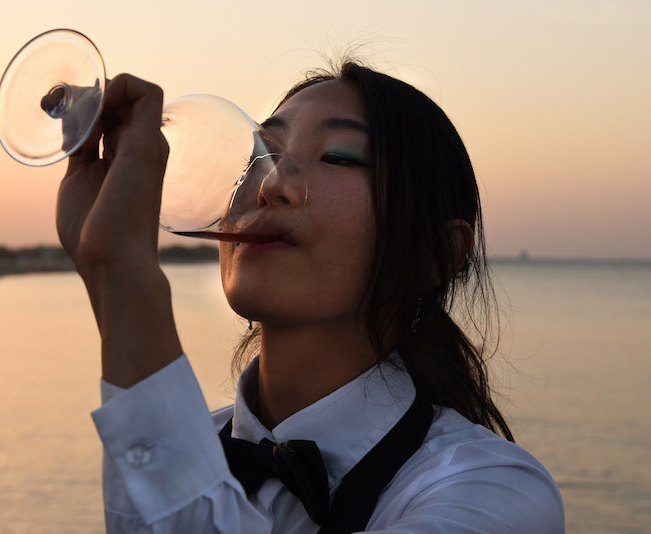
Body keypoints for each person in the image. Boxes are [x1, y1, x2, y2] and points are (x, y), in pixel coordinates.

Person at [56, 64, 565, 533]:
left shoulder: (494, 490)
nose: (272, 184)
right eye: (261, 156)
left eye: (338, 156)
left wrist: (123, 280)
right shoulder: (186, 440)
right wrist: (109, 274)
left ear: (439, 252)